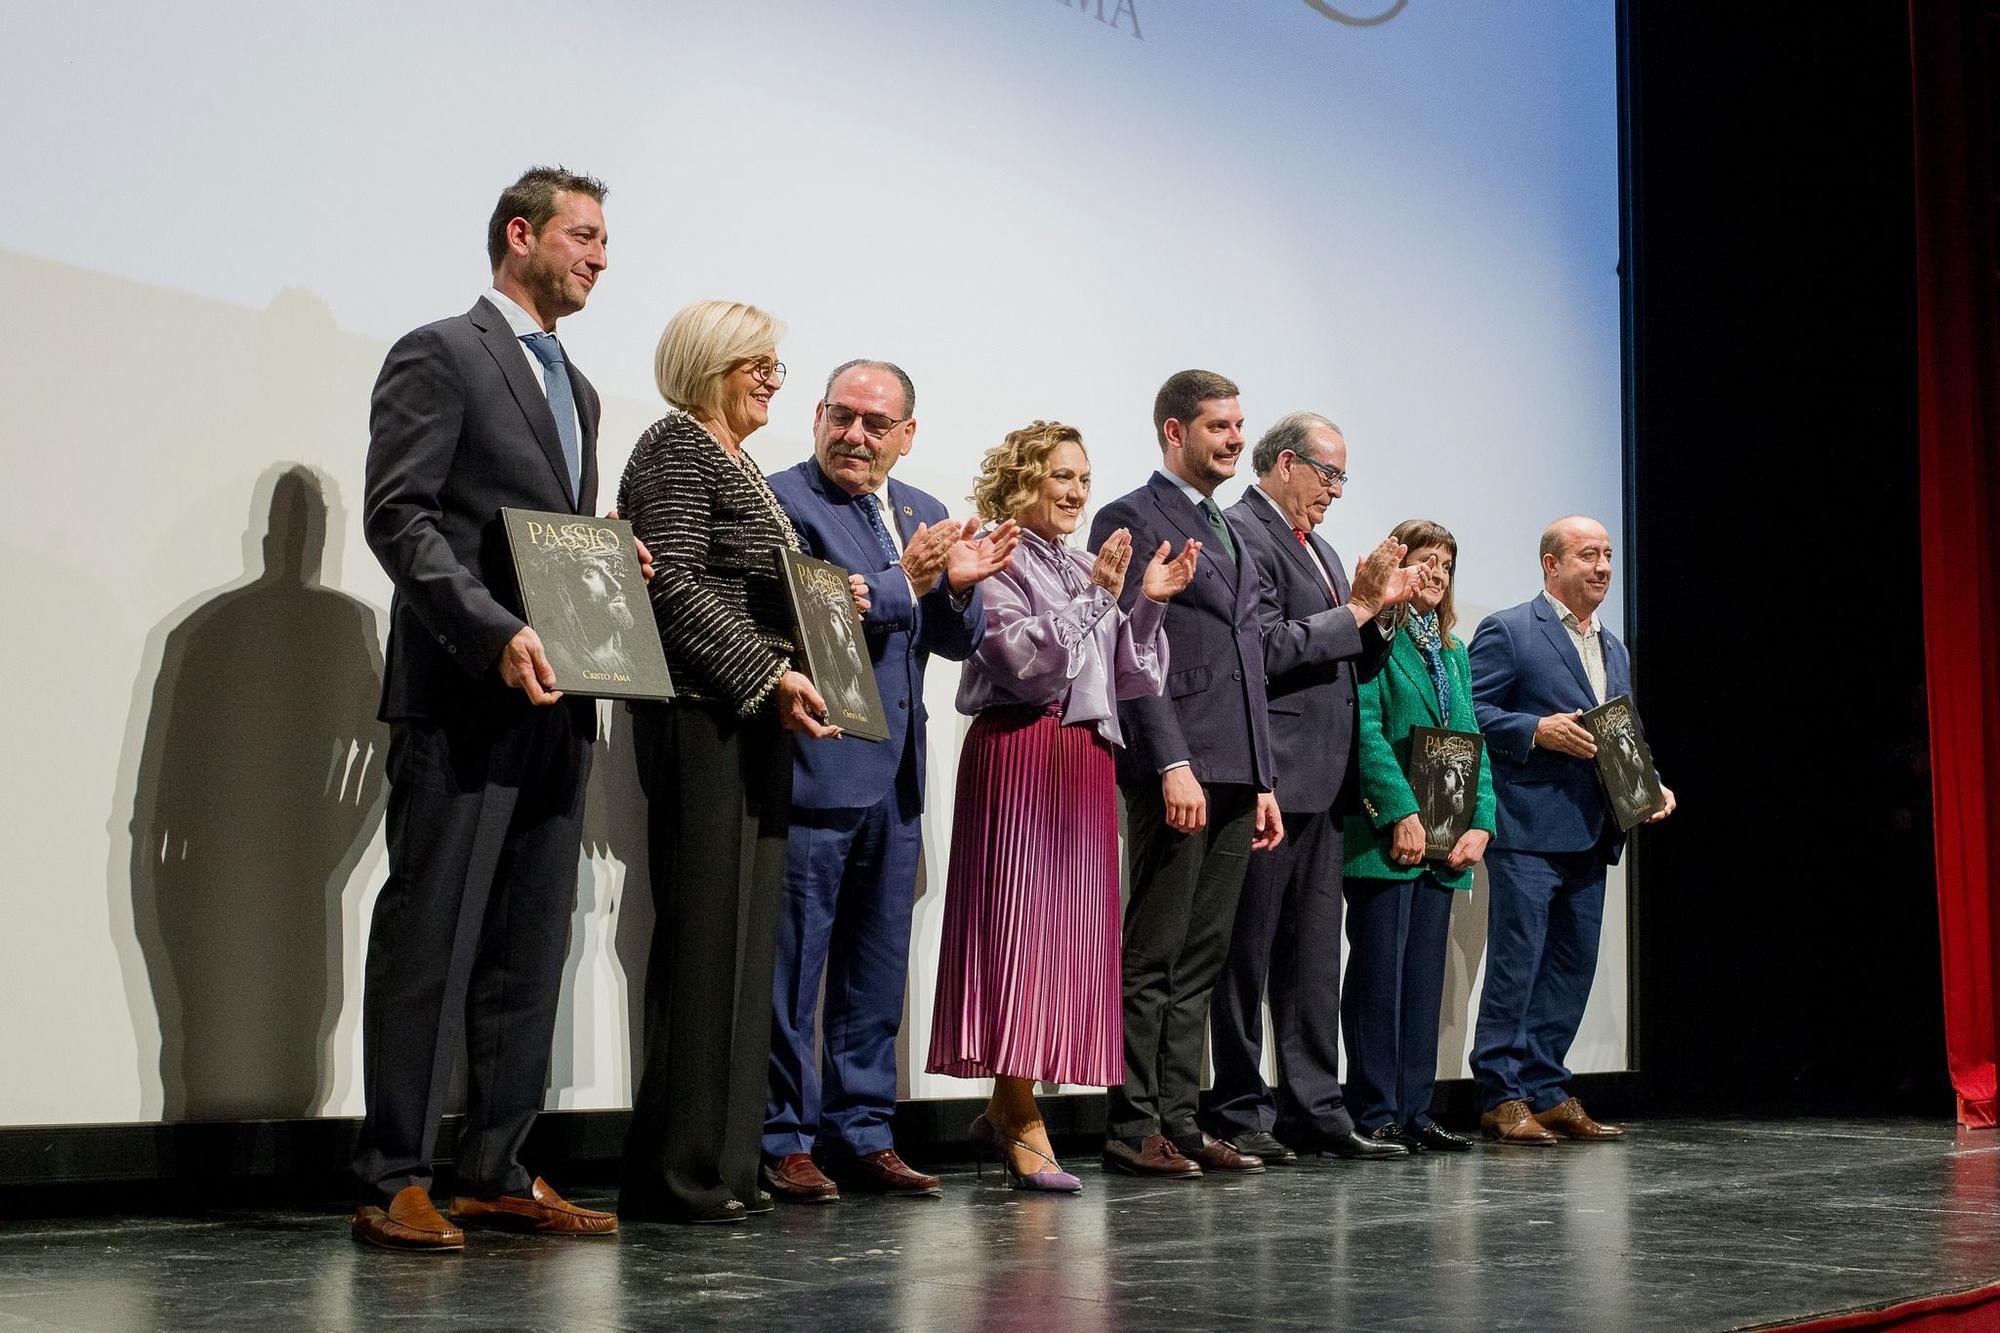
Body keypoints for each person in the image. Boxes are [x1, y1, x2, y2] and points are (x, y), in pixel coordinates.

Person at [353, 166, 620, 1249]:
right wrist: (490, 631)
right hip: (467, 690)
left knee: (527, 941)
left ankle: (495, 1165)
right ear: (521, 234)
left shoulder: (584, 390)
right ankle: (392, 1176)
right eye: (585, 235)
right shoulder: (439, 351)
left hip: (557, 700)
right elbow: (402, 518)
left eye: (606, 241)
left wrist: (612, 570)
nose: (602, 256)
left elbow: (550, 537)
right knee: (432, 934)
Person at [760, 361, 1015, 1204]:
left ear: (908, 435)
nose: (856, 435)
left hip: (898, 776)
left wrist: (962, 588)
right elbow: (816, 616)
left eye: (877, 423)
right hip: (816, 768)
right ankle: (785, 1138)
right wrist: (909, 581)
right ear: (818, 415)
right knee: (794, 973)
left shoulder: (924, 511)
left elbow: (948, 639)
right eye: (843, 416)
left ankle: (863, 1132)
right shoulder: (783, 501)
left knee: (876, 969)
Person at [616, 300, 840, 1223]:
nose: (773, 380)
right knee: (706, 943)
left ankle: (726, 1165)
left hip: (752, 719)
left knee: (745, 947)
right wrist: (768, 670)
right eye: (758, 363)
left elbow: (751, 580)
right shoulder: (675, 445)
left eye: (777, 366)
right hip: (704, 715)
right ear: (709, 362)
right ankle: (679, 1171)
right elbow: (671, 578)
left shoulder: (738, 462)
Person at [928, 421, 1194, 1191]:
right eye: (1061, 476)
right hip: (1019, 749)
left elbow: (1132, 675)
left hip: (1084, 760)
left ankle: (1011, 1107)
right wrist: (1096, 600)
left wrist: (1144, 605)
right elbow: (1021, 662)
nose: (1078, 491)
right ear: (1021, 480)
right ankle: (1017, 1112)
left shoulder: (1085, 563)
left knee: (1061, 944)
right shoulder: (997, 559)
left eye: (1083, 477)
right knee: (1014, 933)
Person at [1203, 413, 1426, 1165]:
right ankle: (1238, 1105)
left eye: (1342, 479)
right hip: (1268, 777)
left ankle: (1315, 1107)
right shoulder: (1242, 533)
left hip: (1325, 783)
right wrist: (1357, 609)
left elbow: (1346, 665)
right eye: (1329, 474)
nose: (1335, 490)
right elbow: (1261, 650)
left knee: (1311, 961)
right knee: (1247, 952)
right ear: (1288, 462)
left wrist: (1380, 617)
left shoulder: (1323, 548)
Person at [1088, 370, 1283, 1180]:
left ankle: (1180, 1116)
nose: (1235, 439)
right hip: (1179, 764)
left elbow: (1245, 653)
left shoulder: (1229, 527)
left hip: (1237, 765)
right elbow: (1134, 656)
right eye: (1219, 427)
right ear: (1174, 431)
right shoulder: (1132, 514)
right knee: (1156, 949)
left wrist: (1264, 776)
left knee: (1203, 953)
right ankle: (1133, 1125)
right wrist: (1170, 760)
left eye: (1240, 425)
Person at [1468, 515, 1675, 1144]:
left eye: (1609, 555)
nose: (1604, 567)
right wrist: (1534, 730)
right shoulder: (1509, 630)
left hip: (1593, 830)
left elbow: (1623, 728)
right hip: (1528, 830)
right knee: (1517, 965)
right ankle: (1500, 1095)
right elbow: (1469, 712)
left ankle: (1548, 1088)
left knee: (1570, 967)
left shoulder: (1613, 645)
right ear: (1551, 565)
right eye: (1589, 555)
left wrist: (1653, 781)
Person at [1341, 519, 1497, 1154]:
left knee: (1424, 981)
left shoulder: (1453, 651)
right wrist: (1399, 811)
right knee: (1379, 979)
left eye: (1446, 565)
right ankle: (1374, 1108)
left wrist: (1481, 822)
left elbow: (1471, 744)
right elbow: (1366, 731)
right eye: (1425, 560)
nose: (1436, 574)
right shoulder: (1378, 639)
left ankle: (1414, 1108)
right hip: (1386, 838)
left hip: (1443, 841)